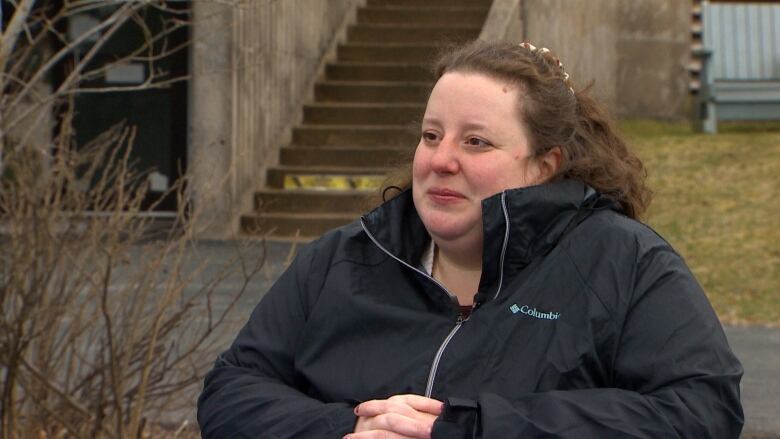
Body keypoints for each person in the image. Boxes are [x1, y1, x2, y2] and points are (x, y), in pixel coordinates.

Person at [197, 40, 743, 438]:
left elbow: (700, 410)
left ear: (543, 166)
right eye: (431, 135)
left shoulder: (625, 264)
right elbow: (233, 389)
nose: (441, 159)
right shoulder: (345, 258)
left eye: (476, 142)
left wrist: (471, 428)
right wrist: (350, 428)